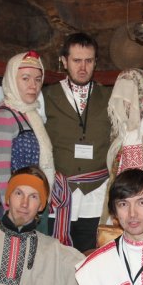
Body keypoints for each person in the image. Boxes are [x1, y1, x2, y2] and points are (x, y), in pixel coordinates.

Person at [43, 33, 111, 250]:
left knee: (91, 256)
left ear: (95, 62)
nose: (83, 67)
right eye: (76, 60)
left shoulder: (110, 97)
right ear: (64, 61)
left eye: (88, 61)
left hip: (96, 194)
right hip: (59, 194)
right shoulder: (46, 96)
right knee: (57, 255)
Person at [0, 52, 55, 214]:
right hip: (17, 208)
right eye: (25, 78)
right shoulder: (4, 116)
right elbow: (0, 171)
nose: (33, 85)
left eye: (37, 79)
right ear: (12, 79)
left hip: (34, 203)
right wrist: (10, 212)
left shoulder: (31, 115)